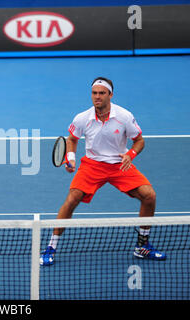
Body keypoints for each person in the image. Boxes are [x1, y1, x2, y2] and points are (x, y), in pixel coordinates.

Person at [40, 77, 165, 266]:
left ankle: (142, 246)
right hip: (92, 165)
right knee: (72, 198)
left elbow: (139, 141)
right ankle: (51, 247)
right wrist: (71, 159)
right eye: (94, 93)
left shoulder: (124, 116)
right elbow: (72, 139)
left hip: (119, 165)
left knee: (149, 196)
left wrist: (130, 154)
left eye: (101, 93)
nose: (97, 97)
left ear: (110, 95)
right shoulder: (82, 118)